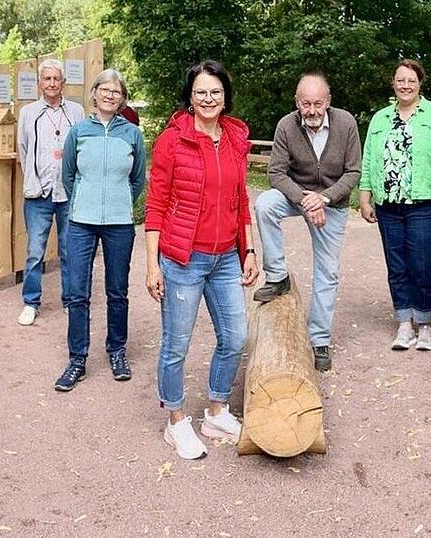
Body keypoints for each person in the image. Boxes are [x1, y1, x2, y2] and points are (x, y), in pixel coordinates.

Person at [145, 61, 259, 460]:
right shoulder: (171, 141)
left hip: (226, 256)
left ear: (225, 96)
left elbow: (241, 199)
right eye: (200, 93)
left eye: (215, 92)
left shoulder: (234, 137)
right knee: (176, 345)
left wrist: (248, 249)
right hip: (183, 259)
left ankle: (216, 410)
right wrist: (151, 264)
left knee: (235, 337)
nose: (208, 99)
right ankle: (175, 421)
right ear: (190, 98)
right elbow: (156, 205)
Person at [253, 72, 361, 372]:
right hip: (297, 195)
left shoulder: (346, 123)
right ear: (297, 103)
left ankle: (319, 340)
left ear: (328, 102)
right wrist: (304, 199)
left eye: (317, 104)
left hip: (331, 202)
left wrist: (323, 198)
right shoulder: (287, 125)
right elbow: (275, 172)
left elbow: (353, 173)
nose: (311, 111)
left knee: (327, 273)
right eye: (305, 104)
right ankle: (277, 276)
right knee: (264, 204)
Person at [53, 69, 146, 392]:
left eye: (116, 92)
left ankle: (117, 350)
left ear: (122, 99)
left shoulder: (132, 134)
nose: (110, 95)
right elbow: (69, 175)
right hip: (81, 221)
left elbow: (137, 179)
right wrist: (85, 200)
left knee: (117, 291)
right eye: (104, 89)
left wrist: (120, 202)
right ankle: (77, 358)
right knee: (78, 293)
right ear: (94, 94)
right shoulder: (78, 132)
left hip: (119, 224)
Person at [359, 59, 431, 352]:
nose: (405, 85)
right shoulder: (380, 119)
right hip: (389, 204)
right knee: (396, 265)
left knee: (424, 264)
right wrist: (365, 194)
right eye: (400, 80)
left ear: (420, 83)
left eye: (411, 80)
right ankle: (403, 322)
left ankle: (424, 324)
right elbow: (370, 157)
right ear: (393, 83)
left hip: (427, 202)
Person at [16, 59, 85, 326]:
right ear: (40, 83)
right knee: (35, 251)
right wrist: (34, 178)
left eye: (57, 79)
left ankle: (70, 300)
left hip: (69, 193)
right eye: (47, 79)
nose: (52, 84)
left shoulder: (76, 111)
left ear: (63, 82)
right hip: (39, 193)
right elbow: (23, 148)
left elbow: (82, 145)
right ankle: (31, 302)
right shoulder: (29, 112)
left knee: (71, 249)